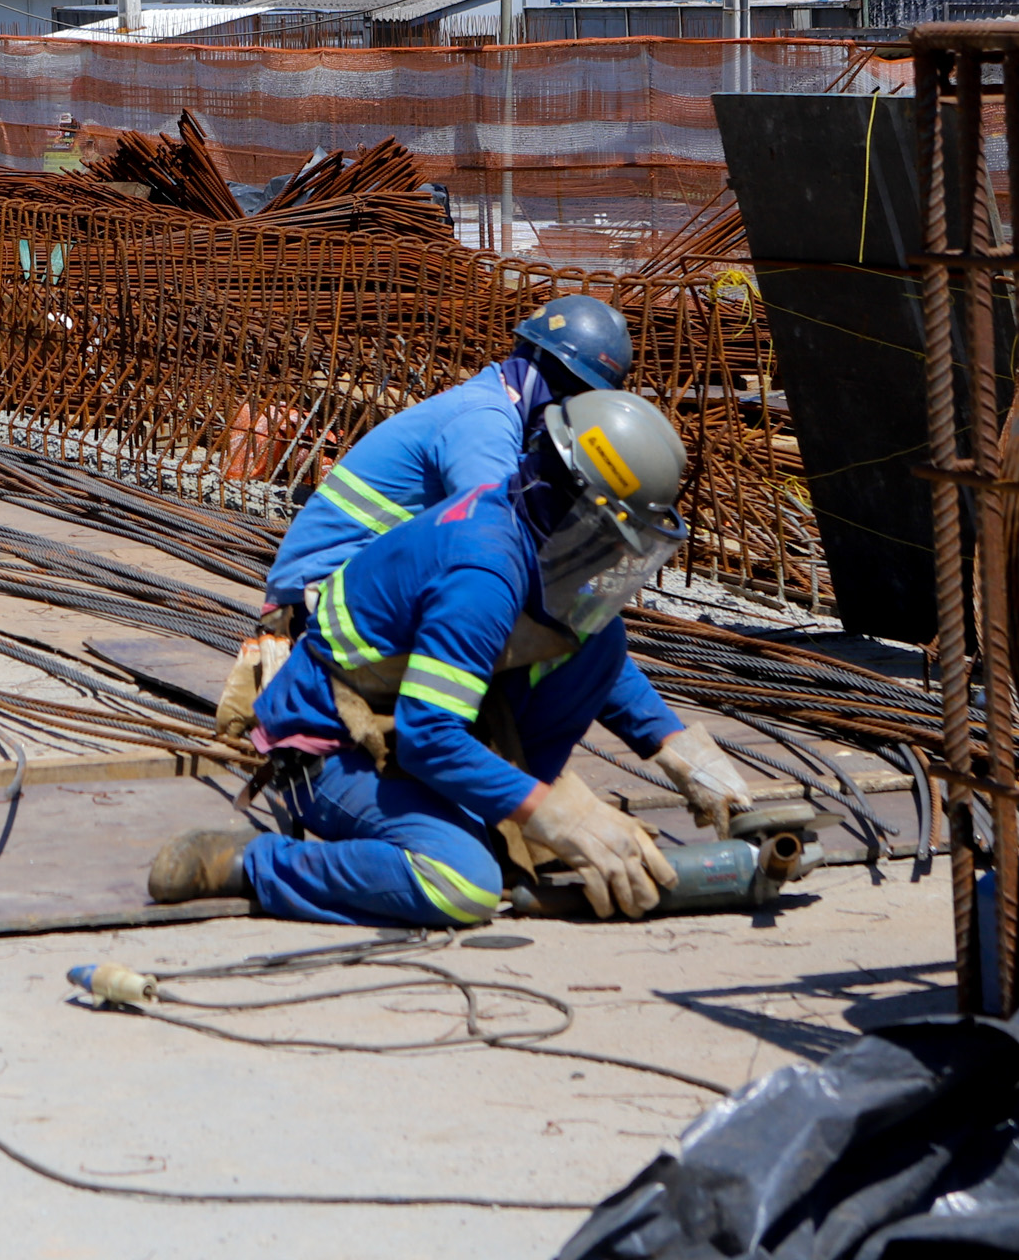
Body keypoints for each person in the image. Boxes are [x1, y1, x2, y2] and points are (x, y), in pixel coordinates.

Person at [151, 390, 758, 929]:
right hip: (332, 742)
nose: (613, 561)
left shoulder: (527, 534)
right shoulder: (483, 571)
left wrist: (677, 751)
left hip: (405, 727)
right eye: (611, 537)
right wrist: (556, 814)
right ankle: (257, 865)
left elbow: (589, 646)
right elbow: (428, 737)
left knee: (599, 640)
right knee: (462, 885)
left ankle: (499, 817)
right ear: (575, 508)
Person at [262, 292, 633, 608]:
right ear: (543, 367)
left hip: (351, 580)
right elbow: (499, 536)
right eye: (571, 389)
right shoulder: (484, 421)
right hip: (316, 594)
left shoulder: (500, 412)